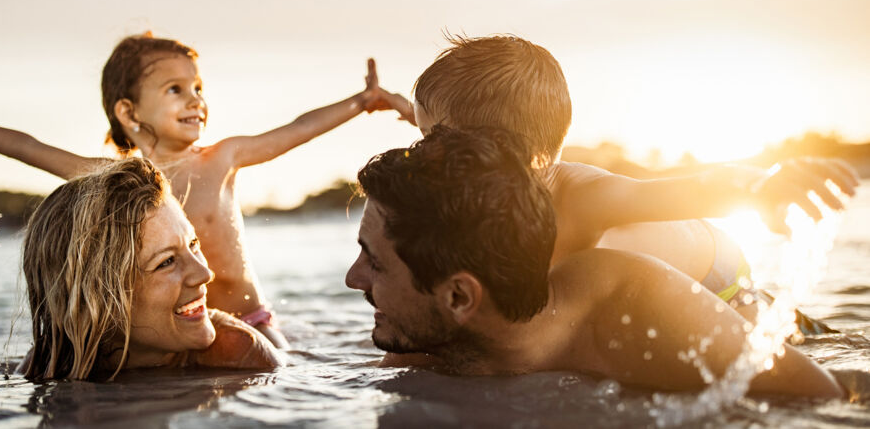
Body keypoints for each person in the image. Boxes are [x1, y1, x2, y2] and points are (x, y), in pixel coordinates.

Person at [0, 33, 393, 348]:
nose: (196, 99)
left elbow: (298, 129)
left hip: (252, 321)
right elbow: (29, 147)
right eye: (176, 89)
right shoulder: (114, 180)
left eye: (198, 87)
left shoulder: (223, 158)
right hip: (180, 332)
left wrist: (362, 101)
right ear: (129, 113)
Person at [372, 34, 858, 325]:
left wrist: (761, 187)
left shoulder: (578, 195)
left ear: (503, 149)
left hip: (720, 280)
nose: (422, 152)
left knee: (765, 362)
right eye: (422, 133)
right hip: (659, 276)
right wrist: (405, 108)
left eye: (431, 135)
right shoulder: (487, 188)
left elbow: (689, 188)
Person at [345, 126, 845, 398]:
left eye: (375, 262)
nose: (352, 278)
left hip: (724, 280)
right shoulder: (424, 340)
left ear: (459, 297)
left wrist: (761, 185)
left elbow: (819, 398)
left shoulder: (638, 316)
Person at [21, 157, 283, 381]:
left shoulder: (240, 354)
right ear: (97, 297)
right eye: (166, 261)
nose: (205, 273)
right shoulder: (52, 363)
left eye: (193, 245)